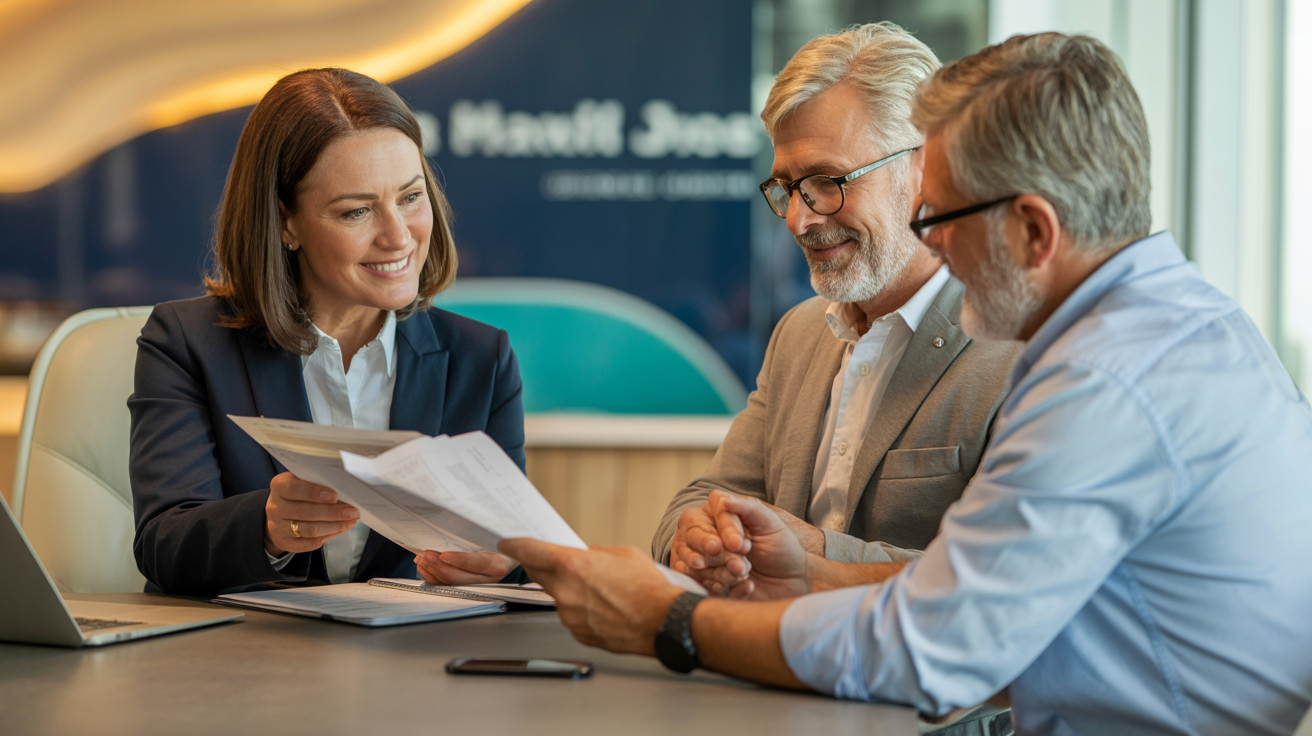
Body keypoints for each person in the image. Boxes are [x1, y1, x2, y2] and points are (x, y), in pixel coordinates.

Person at [501, 32, 1312, 736]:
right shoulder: (1176, 328)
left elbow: (933, 647)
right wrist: (810, 572)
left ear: (1034, 230)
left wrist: (669, 619)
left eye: (944, 217)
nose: (937, 245)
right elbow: (979, 594)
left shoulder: (1102, 379)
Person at [654, 22, 1021, 596]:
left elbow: (1006, 578)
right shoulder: (799, 334)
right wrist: (696, 539)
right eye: (787, 187)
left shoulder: (1022, 348)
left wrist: (815, 555)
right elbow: (701, 500)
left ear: (928, 168)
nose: (798, 219)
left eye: (828, 181)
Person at [130, 68, 524, 595]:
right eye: (357, 211)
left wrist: (504, 562)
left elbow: (512, 555)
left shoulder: (482, 358)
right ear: (285, 223)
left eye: (410, 197)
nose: (398, 236)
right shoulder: (187, 342)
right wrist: (268, 527)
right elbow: (163, 545)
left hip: (417, 645)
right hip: (243, 645)